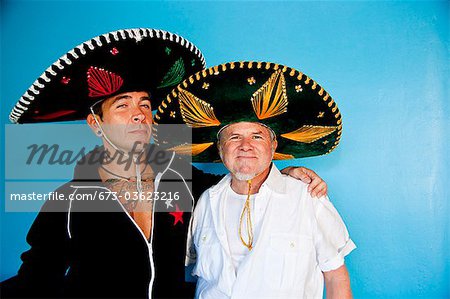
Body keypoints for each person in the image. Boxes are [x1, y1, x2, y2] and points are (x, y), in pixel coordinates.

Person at [2, 31, 327, 299]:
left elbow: (242, 183)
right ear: (95, 123)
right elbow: (36, 278)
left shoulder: (186, 180)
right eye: (122, 105)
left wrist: (286, 174)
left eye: (145, 104)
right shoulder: (67, 202)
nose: (138, 114)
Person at [153, 61, 355, 298]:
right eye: (234, 137)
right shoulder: (205, 200)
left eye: (257, 136)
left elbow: (336, 277)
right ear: (220, 149)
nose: (245, 146)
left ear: (273, 146)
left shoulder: (307, 197)